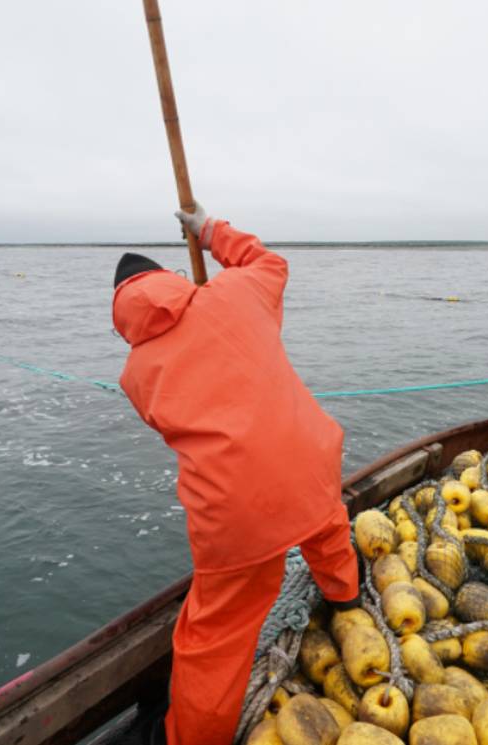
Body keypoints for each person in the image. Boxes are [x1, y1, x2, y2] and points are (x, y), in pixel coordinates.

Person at [111, 205, 360, 745]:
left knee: (215, 637)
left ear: (121, 321)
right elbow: (269, 263)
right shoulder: (237, 292)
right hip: (313, 458)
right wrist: (209, 231)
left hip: (237, 511)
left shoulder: (135, 374)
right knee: (325, 521)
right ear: (173, 279)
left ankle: (189, 739)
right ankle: (345, 599)